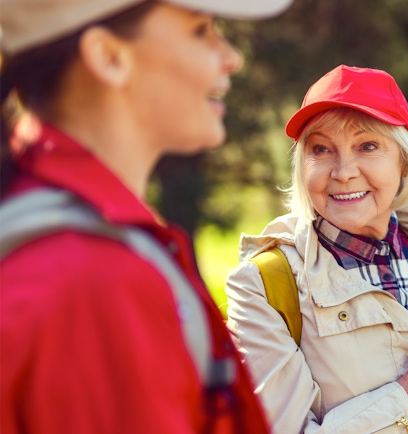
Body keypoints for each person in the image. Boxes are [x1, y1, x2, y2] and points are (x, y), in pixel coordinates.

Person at [0, 0, 292, 432]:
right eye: (200, 30)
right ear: (109, 57)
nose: (232, 57)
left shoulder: (53, 225)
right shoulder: (95, 280)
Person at [225, 64, 408, 434]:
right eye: (321, 149)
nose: (343, 171)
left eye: (367, 146)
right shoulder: (263, 286)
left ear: (404, 163)